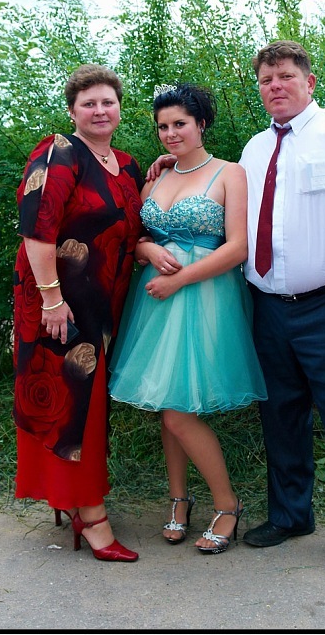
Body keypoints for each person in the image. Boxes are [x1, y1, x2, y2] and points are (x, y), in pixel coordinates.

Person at [148, 42, 325, 584]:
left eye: (285, 76)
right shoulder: (256, 149)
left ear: (309, 81)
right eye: (266, 80)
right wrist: (172, 166)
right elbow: (221, 202)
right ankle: (291, 515)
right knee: (281, 418)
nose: (275, 86)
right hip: (267, 306)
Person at [108, 83, 267, 554]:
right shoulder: (156, 177)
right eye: (163, 126)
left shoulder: (229, 173)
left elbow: (237, 247)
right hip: (154, 302)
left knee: (179, 411)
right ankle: (178, 499)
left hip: (202, 296)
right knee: (168, 402)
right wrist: (146, 250)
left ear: (201, 124)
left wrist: (178, 281)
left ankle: (227, 504)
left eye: (180, 123)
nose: (171, 133)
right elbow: (136, 238)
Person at [13, 63, 143, 562]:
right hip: (59, 307)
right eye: (89, 103)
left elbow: (133, 227)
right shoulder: (59, 153)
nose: (99, 110)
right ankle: (92, 517)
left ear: (119, 108)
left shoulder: (127, 166)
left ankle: (72, 500)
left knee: (88, 407)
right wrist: (51, 299)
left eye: (108, 101)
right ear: (73, 111)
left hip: (102, 309)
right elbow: (37, 230)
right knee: (74, 412)